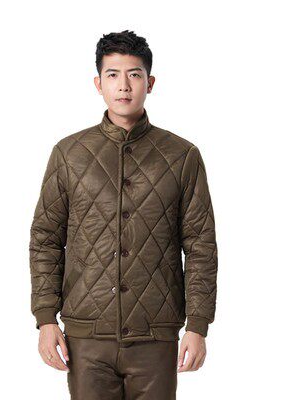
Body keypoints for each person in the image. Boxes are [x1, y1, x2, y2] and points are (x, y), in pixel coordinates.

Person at [29, 29, 218, 400]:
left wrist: (198, 325)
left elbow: (200, 246)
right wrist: (45, 318)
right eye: (113, 74)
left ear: (150, 82)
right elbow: (46, 239)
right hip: (86, 335)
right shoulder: (69, 154)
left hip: (155, 334)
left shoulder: (182, 156)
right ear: (98, 83)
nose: (124, 85)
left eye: (134, 74)